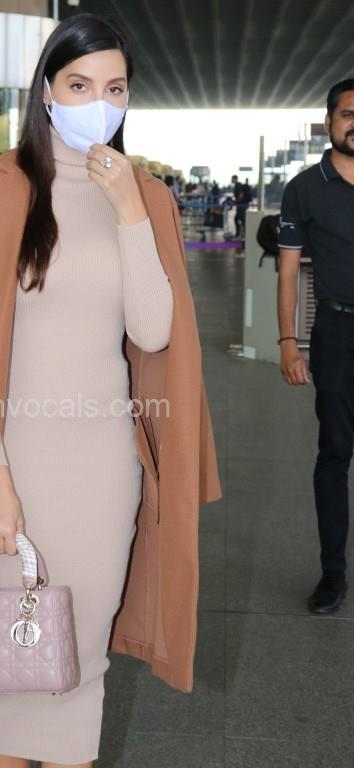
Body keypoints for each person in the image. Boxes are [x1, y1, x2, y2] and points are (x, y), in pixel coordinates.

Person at [0, 12, 221, 768]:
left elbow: (154, 331)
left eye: (115, 88)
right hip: (14, 469)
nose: (99, 102)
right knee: (16, 671)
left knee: (80, 666)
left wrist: (129, 212)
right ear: (47, 92)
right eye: (80, 84)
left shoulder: (147, 197)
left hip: (105, 472)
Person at [277, 77, 354, 616]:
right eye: (349, 114)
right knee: (334, 454)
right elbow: (287, 273)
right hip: (336, 334)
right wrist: (288, 341)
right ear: (329, 121)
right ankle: (333, 574)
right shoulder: (305, 188)